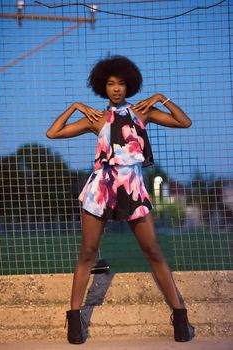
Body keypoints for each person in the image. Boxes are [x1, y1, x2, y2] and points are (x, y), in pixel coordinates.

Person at [46, 55, 195, 344]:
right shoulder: (97, 119)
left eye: (122, 83)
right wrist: (74, 107)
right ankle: (74, 321)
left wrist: (161, 98)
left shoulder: (143, 113)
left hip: (133, 187)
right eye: (111, 84)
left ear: (129, 86)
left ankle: (180, 318)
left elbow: (184, 122)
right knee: (88, 252)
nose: (116, 89)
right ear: (103, 87)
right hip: (101, 188)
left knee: (153, 250)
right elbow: (53, 133)